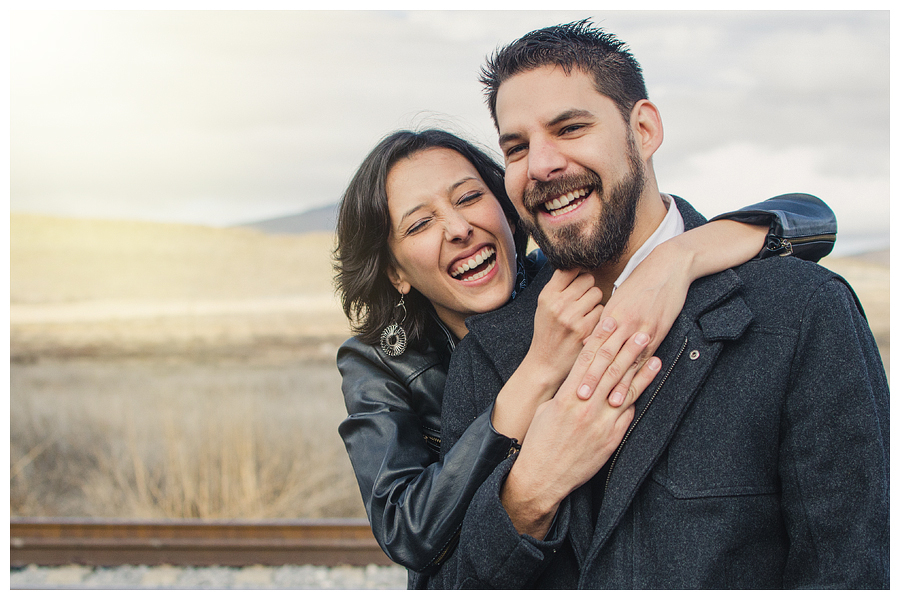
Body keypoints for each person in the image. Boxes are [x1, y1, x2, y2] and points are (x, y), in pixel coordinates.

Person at [428, 21, 888, 589]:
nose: (541, 165)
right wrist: (527, 495)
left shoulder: (800, 312)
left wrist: (679, 261)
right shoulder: (492, 351)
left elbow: (850, 571)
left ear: (643, 129)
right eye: (516, 147)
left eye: (569, 128)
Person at [334, 128, 839, 588]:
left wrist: (679, 256)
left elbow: (813, 217)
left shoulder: (568, 281)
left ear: (508, 212)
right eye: (420, 224)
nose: (458, 227)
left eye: (469, 198)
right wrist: (538, 371)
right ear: (396, 272)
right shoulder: (378, 362)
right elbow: (410, 534)